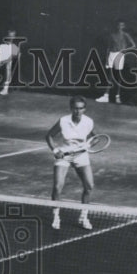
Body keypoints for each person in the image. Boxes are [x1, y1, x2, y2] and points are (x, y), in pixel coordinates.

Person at [46, 95, 96, 230]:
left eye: (80, 109)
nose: (77, 111)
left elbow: (95, 138)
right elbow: (49, 135)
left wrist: (89, 145)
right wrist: (55, 150)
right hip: (64, 155)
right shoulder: (63, 121)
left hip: (81, 155)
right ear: (71, 108)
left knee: (89, 186)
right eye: (75, 108)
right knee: (57, 187)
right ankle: (56, 217)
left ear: (84, 109)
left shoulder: (88, 122)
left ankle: (83, 217)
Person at [96, 20, 136, 104]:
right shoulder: (112, 35)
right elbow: (109, 48)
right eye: (118, 25)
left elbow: (133, 45)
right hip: (111, 55)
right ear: (116, 26)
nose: (119, 27)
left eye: (121, 25)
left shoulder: (126, 35)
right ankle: (106, 96)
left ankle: (117, 97)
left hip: (119, 55)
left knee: (118, 76)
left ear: (124, 26)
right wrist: (107, 60)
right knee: (110, 75)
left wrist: (124, 50)